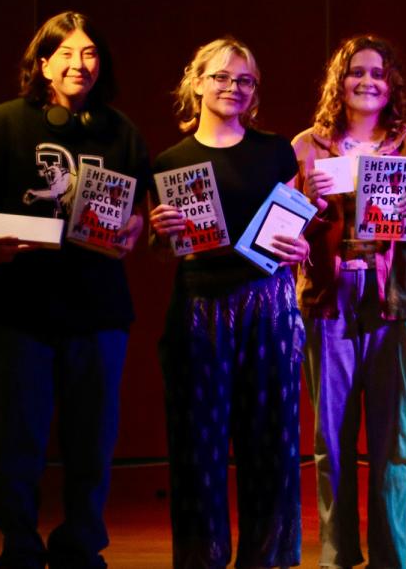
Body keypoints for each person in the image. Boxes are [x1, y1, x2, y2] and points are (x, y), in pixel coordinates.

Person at [0, 11, 150, 569]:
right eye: (65, 53)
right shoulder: (4, 123)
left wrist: (135, 229)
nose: (79, 63)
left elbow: (139, 206)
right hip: (18, 309)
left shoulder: (121, 130)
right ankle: (19, 545)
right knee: (19, 440)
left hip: (99, 310)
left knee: (92, 442)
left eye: (89, 54)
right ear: (42, 64)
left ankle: (82, 544)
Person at [149, 37, 309, 569]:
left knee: (273, 445)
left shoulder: (276, 150)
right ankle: (202, 561)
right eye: (220, 77)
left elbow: (293, 228)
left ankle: (269, 561)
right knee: (199, 449)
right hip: (200, 305)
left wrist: (301, 245)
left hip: (271, 304)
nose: (232, 88)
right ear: (196, 81)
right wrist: (157, 231)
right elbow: (163, 245)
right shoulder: (171, 161)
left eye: (244, 80)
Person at [291, 34, 406, 568]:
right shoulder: (307, 145)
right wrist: (306, 208)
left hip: (397, 296)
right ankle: (336, 555)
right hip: (330, 296)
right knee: (330, 437)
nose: (367, 81)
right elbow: (283, 232)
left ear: (392, 84)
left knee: (391, 437)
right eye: (357, 72)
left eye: (379, 73)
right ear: (340, 81)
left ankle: (389, 557)